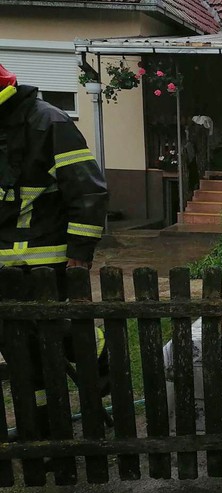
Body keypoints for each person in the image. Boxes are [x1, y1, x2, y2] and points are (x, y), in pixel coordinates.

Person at [0, 63, 109, 437]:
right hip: (4, 271)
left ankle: (105, 377)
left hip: (47, 263)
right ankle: (44, 427)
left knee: (68, 336)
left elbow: (88, 191)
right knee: (24, 353)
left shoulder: (49, 123)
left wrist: (79, 255)